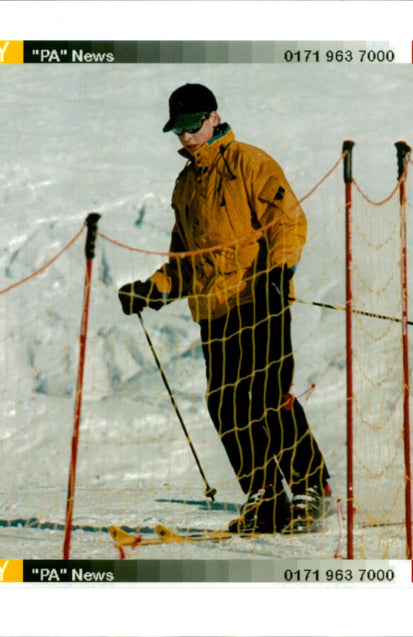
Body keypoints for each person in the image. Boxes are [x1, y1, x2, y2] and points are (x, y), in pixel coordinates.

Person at [118, 83, 330, 534]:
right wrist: (150, 291)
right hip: (215, 311)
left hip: (261, 299)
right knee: (226, 404)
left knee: (270, 397)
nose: (187, 137)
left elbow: (287, 220)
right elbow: (184, 259)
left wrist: (279, 272)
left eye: (193, 126)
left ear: (214, 117)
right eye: (178, 130)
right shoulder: (186, 185)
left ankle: (310, 487)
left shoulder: (250, 163)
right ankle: (265, 496)